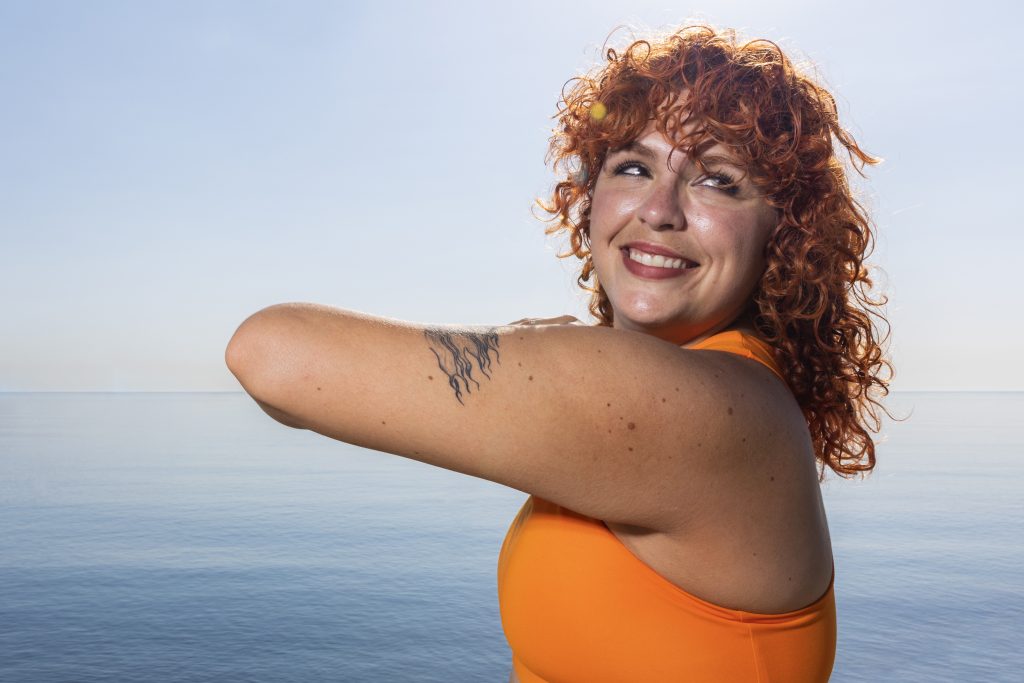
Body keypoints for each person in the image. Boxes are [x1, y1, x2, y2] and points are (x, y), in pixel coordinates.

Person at [225, 23, 892, 683]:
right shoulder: (720, 391)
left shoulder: (709, 412)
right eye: (633, 167)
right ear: (591, 197)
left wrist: (540, 342)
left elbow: (272, 354)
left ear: (785, 234)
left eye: (717, 180)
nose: (659, 209)